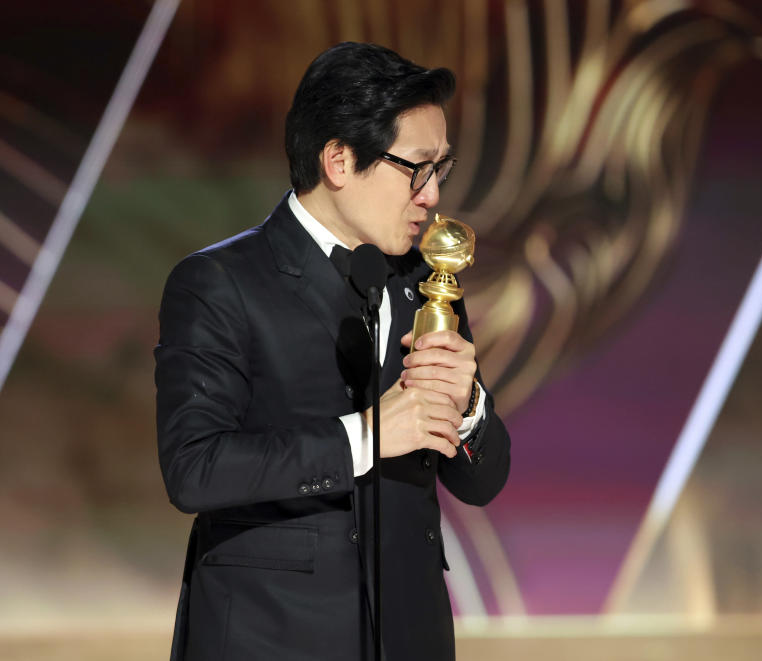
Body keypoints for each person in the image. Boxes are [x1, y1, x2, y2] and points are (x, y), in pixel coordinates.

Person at [155, 42, 510, 661]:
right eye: (416, 168)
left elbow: (482, 481)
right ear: (339, 160)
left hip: (409, 633)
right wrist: (366, 436)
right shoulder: (221, 282)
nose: (431, 195)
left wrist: (469, 404)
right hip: (271, 636)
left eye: (441, 170)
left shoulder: (425, 282)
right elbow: (195, 467)